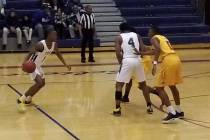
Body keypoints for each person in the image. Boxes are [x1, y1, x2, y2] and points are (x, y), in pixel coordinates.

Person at [17, 27, 71, 112]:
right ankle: (21, 99)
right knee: (39, 82)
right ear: (48, 35)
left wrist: (66, 64)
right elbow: (30, 53)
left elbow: (58, 54)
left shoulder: (54, 44)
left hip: (38, 66)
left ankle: (28, 99)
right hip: (32, 65)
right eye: (54, 34)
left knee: (42, 83)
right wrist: (24, 64)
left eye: (56, 34)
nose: (56, 36)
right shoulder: (40, 45)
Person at [142, 25, 184, 123]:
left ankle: (172, 113)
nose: (148, 33)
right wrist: (142, 53)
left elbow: (157, 49)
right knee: (172, 86)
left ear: (153, 31)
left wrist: (155, 63)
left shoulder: (154, 38)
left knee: (159, 87)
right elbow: (156, 51)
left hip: (168, 61)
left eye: (149, 31)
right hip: (176, 59)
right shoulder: (163, 38)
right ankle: (179, 111)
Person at [113, 22, 153, 116]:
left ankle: (117, 109)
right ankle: (149, 106)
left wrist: (121, 63)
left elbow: (118, 53)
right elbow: (142, 49)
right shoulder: (137, 35)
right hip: (138, 60)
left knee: (119, 85)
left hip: (127, 61)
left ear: (121, 30)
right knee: (143, 85)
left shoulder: (119, 37)